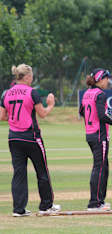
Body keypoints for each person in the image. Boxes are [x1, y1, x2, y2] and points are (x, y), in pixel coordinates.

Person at [0, 64, 60, 217]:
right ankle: (46, 206)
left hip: (13, 137)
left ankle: (19, 209)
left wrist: (15, 117)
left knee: (19, 173)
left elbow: (2, 117)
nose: (32, 79)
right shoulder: (32, 92)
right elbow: (42, 114)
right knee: (42, 171)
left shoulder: (6, 93)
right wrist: (51, 105)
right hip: (31, 137)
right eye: (31, 76)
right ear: (26, 77)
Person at [79, 68, 112, 211]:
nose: (108, 81)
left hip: (90, 134)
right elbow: (101, 115)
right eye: (106, 78)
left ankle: (100, 201)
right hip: (99, 135)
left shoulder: (87, 93)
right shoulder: (100, 94)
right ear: (100, 79)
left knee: (103, 167)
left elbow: (82, 112)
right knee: (99, 168)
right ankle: (95, 203)